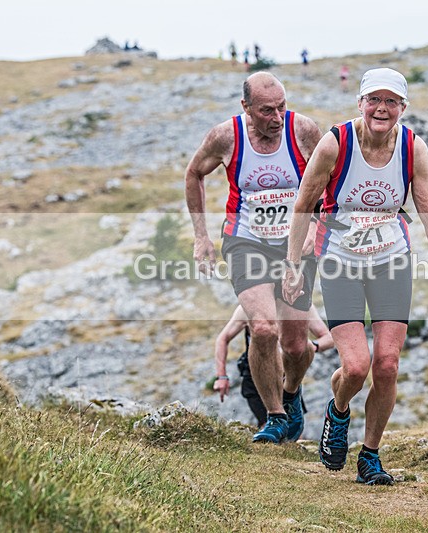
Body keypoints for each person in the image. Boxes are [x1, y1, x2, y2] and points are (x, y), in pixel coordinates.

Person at [283, 68, 428, 485]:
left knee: (386, 364)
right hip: (340, 260)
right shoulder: (335, 144)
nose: (381, 109)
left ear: (403, 109)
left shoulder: (412, 149)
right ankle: (337, 413)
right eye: (374, 99)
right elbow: (302, 205)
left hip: (391, 258)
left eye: (391, 102)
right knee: (355, 367)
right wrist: (293, 266)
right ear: (360, 102)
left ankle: (370, 455)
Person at [185, 72, 323, 444]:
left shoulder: (303, 130)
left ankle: (291, 393)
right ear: (246, 107)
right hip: (245, 241)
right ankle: (275, 416)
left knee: (296, 347)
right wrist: (201, 237)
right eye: (266, 111)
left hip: (295, 245)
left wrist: (315, 227)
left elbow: (332, 176)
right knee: (263, 328)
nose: (277, 117)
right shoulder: (225, 137)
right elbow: (194, 173)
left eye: (282, 107)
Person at [213, 304, 334, 430]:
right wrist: (221, 376)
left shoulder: (302, 304)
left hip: (287, 377)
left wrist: (307, 348)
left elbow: (328, 338)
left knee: (292, 427)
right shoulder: (248, 305)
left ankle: (291, 445)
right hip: (256, 375)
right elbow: (223, 338)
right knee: (269, 424)